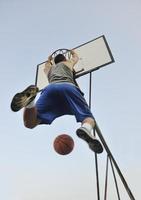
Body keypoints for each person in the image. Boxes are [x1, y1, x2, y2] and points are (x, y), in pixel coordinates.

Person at [11, 49, 103, 153]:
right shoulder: (67, 63)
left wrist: (49, 60)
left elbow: (46, 66)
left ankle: (30, 103)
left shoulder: (49, 69)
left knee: (30, 123)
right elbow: (75, 58)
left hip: (50, 89)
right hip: (68, 87)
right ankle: (86, 129)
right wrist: (72, 52)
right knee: (88, 118)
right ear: (64, 59)